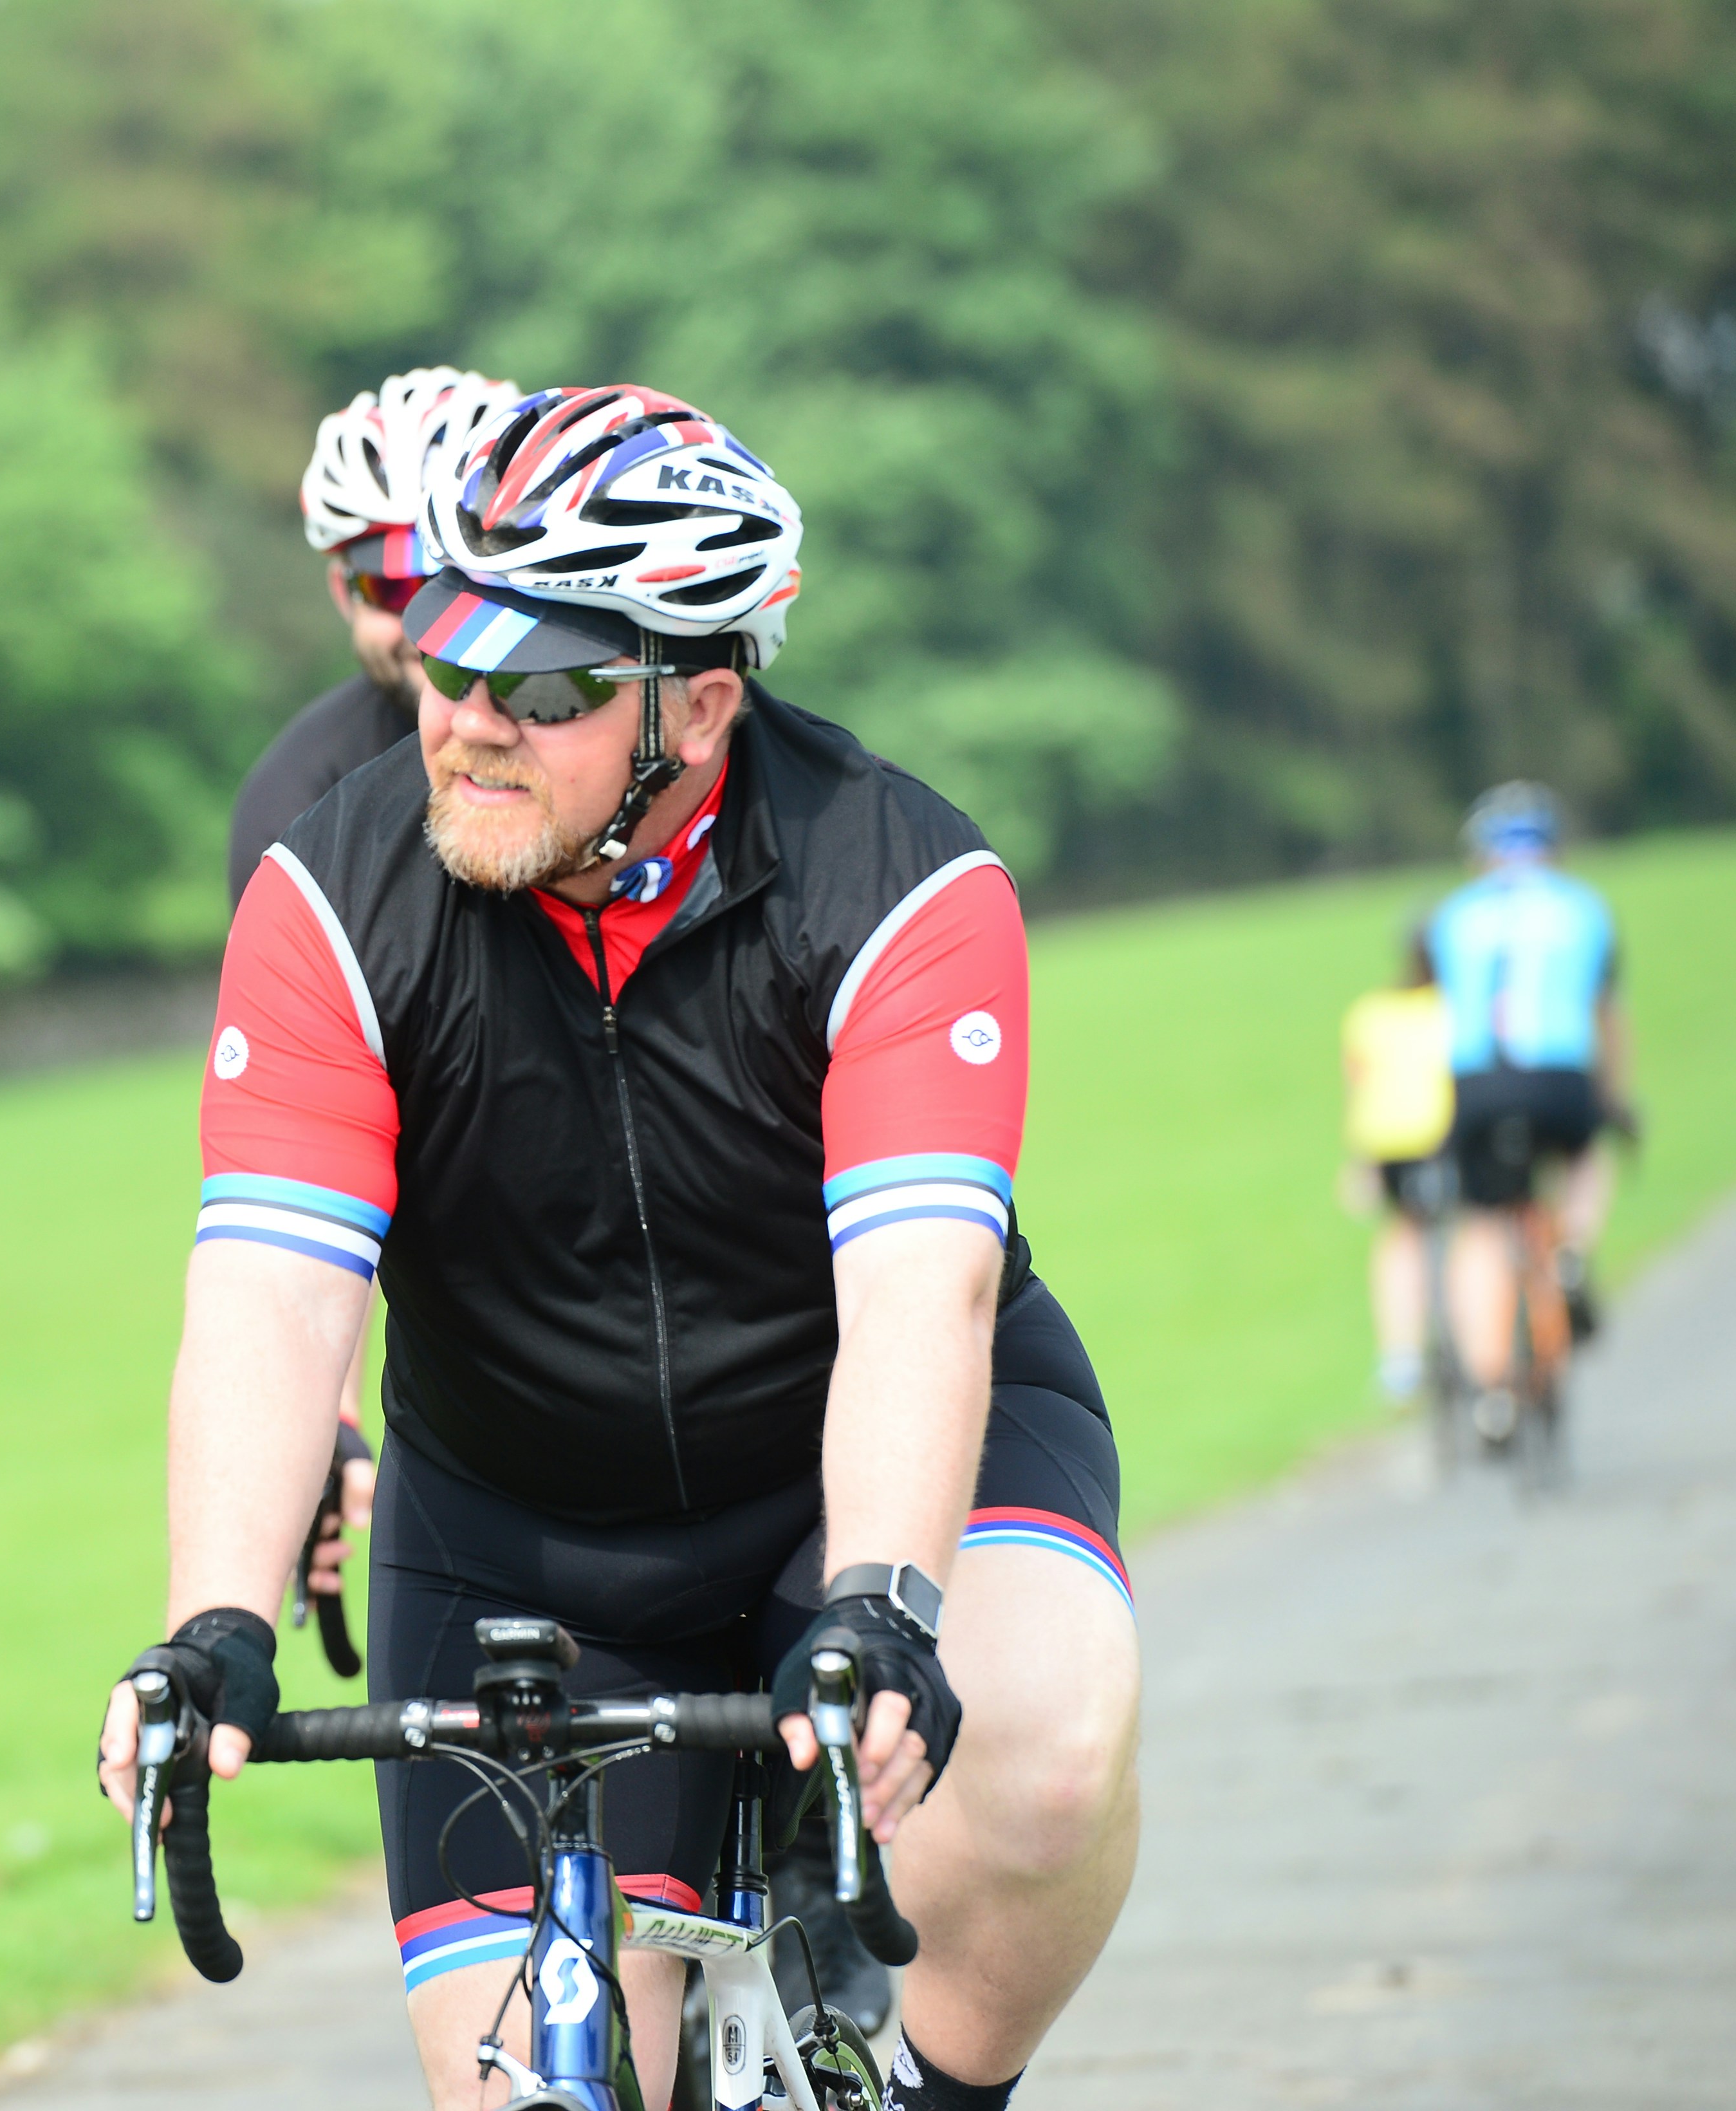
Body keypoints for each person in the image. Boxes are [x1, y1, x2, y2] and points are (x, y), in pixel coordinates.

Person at [102, 386, 1139, 2111]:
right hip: (523, 1534)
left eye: (552, 688)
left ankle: (949, 2097)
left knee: (1036, 1760)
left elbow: (914, 1293)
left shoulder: (898, 887)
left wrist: (884, 1601)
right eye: (447, 664)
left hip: (866, 1468)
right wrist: (214, 1621)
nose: (473, 726)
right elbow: (275, 1293)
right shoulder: (326, 901)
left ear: (703, 704)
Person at [232, 368, 524, 1619]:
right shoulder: (298, 812)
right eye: (376, 583)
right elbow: (309, 1158)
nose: (415, 619)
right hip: (479, 1326)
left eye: (447, 566)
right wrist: (318, 1426)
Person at [226, 369, 526, 909]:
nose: (427, 621)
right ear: (344, 594)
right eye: (392, 587)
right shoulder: (296, 804)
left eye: (455, 582)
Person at [1425, 783, 1627, 1411]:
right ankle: (1568, 1252)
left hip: (1479, 1083)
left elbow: (1441, 1013)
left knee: (1481, 1225)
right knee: (1587, 1154)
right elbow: (1606, 1017)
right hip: (1560, 1076)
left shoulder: (1452, 915)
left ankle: (1490, 1388)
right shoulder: (1583, 908)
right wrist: (1612, 1097)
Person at [1339, 932, 1453, 1402]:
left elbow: (1359, 1088)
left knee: (1401, 1235)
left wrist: (1360, 1165)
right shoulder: (1460, 1007)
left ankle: (1400, 1357)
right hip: (1448, 1137)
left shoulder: (1369, 1013)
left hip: (1389, 1143)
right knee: (1472, 1232)